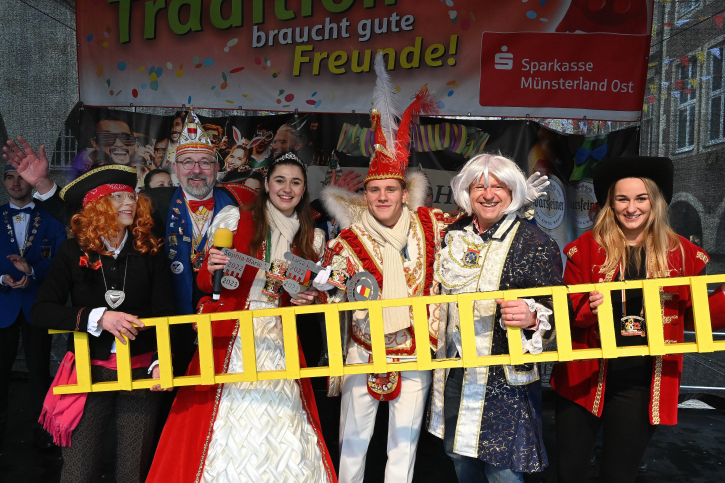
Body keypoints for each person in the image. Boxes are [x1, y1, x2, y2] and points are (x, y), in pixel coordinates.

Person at [4, 110, 251, 375]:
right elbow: (89, 216)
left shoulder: (243, 201)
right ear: (175, 168)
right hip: (171, 323)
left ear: (217, 168)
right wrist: (42, 183)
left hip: (228, 318)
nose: (197, 170)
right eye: (188, 162)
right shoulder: (156, 200)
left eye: (205, 162)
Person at [147, 151, 336, 482]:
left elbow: (312, 294)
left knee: (283, 416)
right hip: (231, 332)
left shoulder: (313, 236)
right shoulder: (236, 218)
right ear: (267, 184)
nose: (287, 189)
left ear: (304, 189)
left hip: (278, 337)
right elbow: (205, 284)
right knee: (224, 416)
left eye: (295, 182)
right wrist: (211, 268)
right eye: (279, 180)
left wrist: (308, 298)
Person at [315, 55, 458, 483]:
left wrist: (515, 200)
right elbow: (335, 287)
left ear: (404, 192)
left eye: (390, 189)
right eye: (374, 189)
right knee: (352, 445)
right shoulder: (348, 240)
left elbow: (474, 236)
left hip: (416, 349)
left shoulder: (433, 225)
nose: (382, 197)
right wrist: (325, 284)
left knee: (403, 448)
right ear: (365, 194)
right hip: (364, 349)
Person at [549, 156, 725, 483]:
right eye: (622, 199)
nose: (632, 208)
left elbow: (696, 319)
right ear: (611, 205)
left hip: (642, 380)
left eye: (641, 198)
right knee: (570, 473)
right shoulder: (584, 250)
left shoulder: (684, 254)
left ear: (655, 202)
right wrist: (588, 308)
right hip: (584, 375)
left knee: (620, 474)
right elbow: (567, 315)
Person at [31, 165, 175, 482]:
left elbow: (165, 312)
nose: (129, 202)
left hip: (141, 370)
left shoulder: (150, 248)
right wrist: (98, 317)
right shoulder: (73, 250)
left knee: (133, 470)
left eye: (131, 196)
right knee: (79, 469)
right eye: (117, 197)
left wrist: (160, 361)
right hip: (88, 369)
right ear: (97, 206)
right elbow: (41, 311)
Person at [427, 154, 561, 483]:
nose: (488, 194)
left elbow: (559, 311)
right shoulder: (452, 234)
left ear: (513, 191)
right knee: (459, 457)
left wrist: (532, 317)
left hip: (505, 378)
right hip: (455, 370)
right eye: (479, 187)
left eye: (498, 186)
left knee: (502, 470)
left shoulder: (536, 242)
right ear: (467, 193)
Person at [0, 165, 66, 450]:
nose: (16, 183)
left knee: (39, 371)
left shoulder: (51, 217)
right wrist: (1, 278)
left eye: (22, 178)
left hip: (37, 303)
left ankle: (44, 431)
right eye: (10, 177)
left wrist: (34, 271)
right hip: (3, 304)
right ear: (4, 182)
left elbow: (63, 259)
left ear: (32, 182)